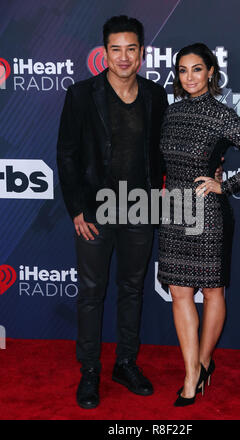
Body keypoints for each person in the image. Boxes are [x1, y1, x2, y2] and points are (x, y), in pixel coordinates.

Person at [56, 15, 169, 409]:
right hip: (96, 209)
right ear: (104, 53)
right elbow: (67, 156)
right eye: (116, 49)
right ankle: (89, 371)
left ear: (142, 53)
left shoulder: (156, 96)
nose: (124, 57)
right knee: (91, 293)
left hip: (140, 207)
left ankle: (125, 363)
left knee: (132, 290)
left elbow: (164, 150)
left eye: (131, 48)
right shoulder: (82, 95)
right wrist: (77, 209)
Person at [157, 43, 240, 406]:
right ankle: (192, 370)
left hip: (207, 215)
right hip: (175, 211)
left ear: (211, 72)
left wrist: (225, 184)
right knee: (179, 293)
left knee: (211, 293)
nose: (189, 77)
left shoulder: (222, 115)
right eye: (182, 70)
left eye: (196, 69)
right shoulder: (170, 114)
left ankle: (202, 364)